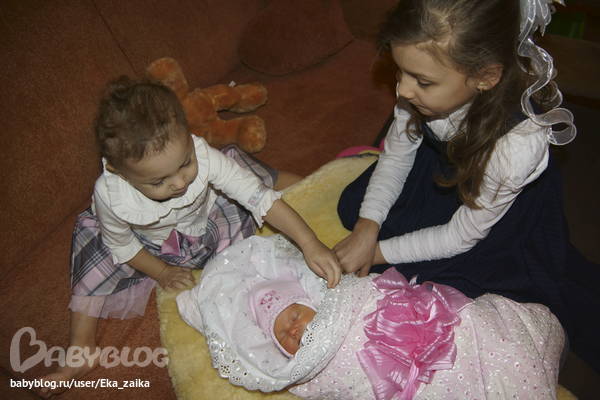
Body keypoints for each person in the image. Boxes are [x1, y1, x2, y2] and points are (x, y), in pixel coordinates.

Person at [334, 0, 600, 371]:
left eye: (422, 81)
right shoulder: (418, 91)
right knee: (355, 208)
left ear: (485, 77)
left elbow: (460, 235)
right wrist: (367, 227)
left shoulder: (518, 145)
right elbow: (394, 157)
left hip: (487, 213)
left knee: (451, 284)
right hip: (440, 169)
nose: (403, 90)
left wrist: (375, 253)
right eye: (400, 72)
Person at [38, 77, 341, 397]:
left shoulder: (204, 155)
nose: (180, 183)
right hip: (151, 246)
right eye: (159, 182)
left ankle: (319, 181)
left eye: (185, 164)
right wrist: (161, 271)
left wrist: (310, 243)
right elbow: (121, 244)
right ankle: (81, 350)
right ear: (118, 172)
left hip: (215, 221)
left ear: (188, 135)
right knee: (92, 242)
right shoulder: (110, 193)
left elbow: (258, 198)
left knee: (249, 173)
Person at [177, 234, 565, 399]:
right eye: (284, 335)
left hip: (420, 331)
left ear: (311, 303)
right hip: (390, 380)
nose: (293, 328)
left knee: (482, 335)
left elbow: (371, 294)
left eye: (294, 314)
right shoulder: (305, 372)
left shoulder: (342, 301)